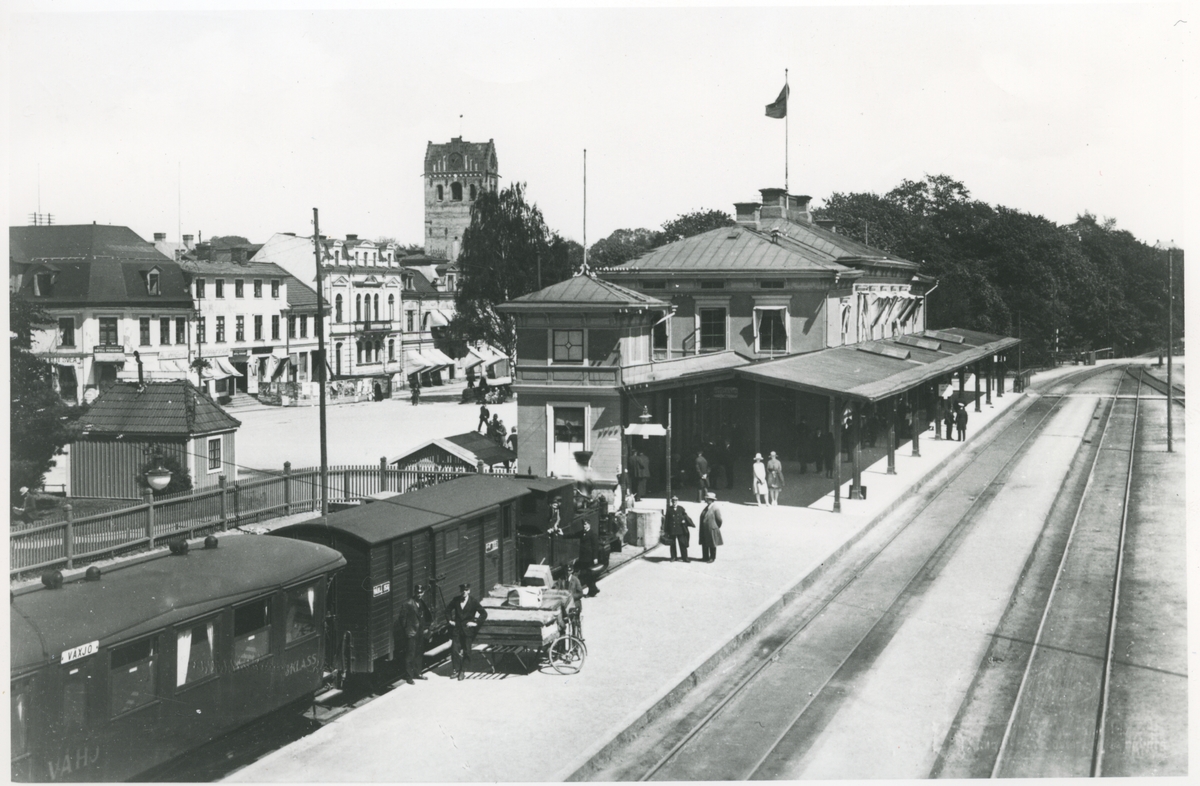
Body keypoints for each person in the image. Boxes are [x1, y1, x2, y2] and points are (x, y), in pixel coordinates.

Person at [445, 583, 487, 680]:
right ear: (460, 591)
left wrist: (475, 623)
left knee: (467, 652)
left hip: (468, 631)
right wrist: (450, 620)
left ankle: (462, 671)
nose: (464, 592)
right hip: (457, 630)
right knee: (454, 650)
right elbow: (447, 610)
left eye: (466, 590)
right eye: (462, 590)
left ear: (469, 591)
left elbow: (484, 614)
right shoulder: (456, 600)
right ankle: (456, 670)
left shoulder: (473, 601)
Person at [395, 584, 432, 684]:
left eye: (421, 593)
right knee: (410, 655)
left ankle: (418, 673)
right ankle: (409, 677)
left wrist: (426, 628)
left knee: (419, 653)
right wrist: (407, 630)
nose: (419, 595)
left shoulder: (422, 603)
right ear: (414, 592)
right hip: (411, 633)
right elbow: (402, 619)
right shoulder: (408, 604)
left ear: (423, 593)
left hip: (420, 633)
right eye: (417, 592)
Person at [570, 521, 602, 596]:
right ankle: (594, 589)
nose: (584, 526)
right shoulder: (582, 533)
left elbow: (595, 547)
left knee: (587, 575)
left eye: (585, 524)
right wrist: (562, 535)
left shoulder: (592, 534)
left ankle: (592, 590)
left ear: (589, 525)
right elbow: (574, 535)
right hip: (583, 558)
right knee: (587, 575)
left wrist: (595, 557)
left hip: (589, 558)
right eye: (583, 525)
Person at [664, 495, 694, 562]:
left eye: (675, 501)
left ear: (677, 501)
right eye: (673, 501)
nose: (674, 502)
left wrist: (684, 521)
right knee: (672, 544)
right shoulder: (669, 509)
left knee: (682, 543)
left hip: (680, 530)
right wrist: (666, 531)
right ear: (672, 502)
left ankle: (685, 557)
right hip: (672, 530)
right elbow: (667, 521)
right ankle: (673, 557)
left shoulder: (681, 508)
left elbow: (686, 516)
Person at [698, 491, 724, 562]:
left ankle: (712, 557)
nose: (706, 500)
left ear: (711, 500)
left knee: (712, 544)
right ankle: (705, 557)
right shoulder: (707, 507)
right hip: (705, 528)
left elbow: (719, 520)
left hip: (712, 529)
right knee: (705, 543)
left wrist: (715, 527)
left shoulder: (715, 508)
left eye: (707, 499)